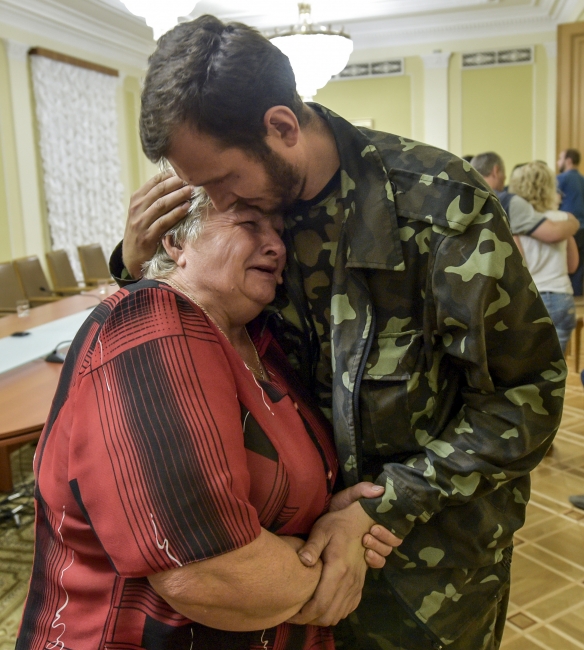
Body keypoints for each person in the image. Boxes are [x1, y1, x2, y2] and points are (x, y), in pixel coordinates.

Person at [111, 15, 566, 649]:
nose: (213, 203)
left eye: (220, 182)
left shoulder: (439, 207)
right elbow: (191, 346)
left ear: (281, 127)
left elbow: (526, 399)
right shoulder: (244, 216)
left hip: (429, 573)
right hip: (288, 573)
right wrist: (134, 267)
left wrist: (384, 502)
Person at [16, 193, 394, 649]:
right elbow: (206, 573)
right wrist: (336, 567)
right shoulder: (152, 319)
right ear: (177, 241)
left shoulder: (261, 340)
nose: (277, 245)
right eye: (250, 223)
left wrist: (342, 524)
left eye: (279, 230)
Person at [508, 161, 578, 352]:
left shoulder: (518, 224)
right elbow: (572, 266)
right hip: (563, 297)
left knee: (533, 366)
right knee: (558, 366)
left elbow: (520, 268)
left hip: (532, 299)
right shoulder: (564, 219)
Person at [471, 151, 579, 246]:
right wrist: (573, 222)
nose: (505, 178)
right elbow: (553, 233)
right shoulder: (509, 202)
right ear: (496, 170)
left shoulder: (466, 197)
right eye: (504, 174)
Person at [557, 149, 584, 295]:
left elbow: (554, 200)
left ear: (568, 161)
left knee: (568, 266)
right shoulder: (583, 179)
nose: (558, 162)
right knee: (579, 271)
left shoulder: (562, 178)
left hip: (569, 229)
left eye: (560, 158)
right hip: (583, 229)